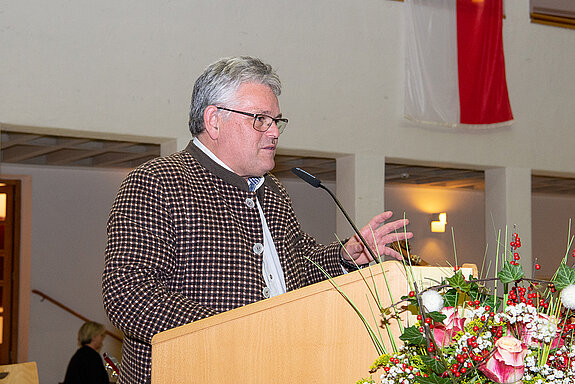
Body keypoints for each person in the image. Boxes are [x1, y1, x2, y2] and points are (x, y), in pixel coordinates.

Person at [102, 56, 412, 384]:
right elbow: (128, 292)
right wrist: (235, 332)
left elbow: (298, 264)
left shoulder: (272, 189)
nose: (275, 132)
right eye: (261, 119)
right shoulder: (159, 180)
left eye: (277, 121)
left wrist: (345, 256)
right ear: (214, 121)